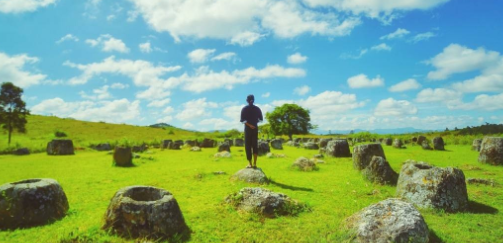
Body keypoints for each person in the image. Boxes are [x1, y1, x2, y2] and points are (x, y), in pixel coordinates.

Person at [240, 94, 263, 169]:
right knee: (255, 145)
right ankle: (255, 163)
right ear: (254, 100)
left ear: (247, 100)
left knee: (248, 146)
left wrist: (249, 125)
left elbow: (242, 120)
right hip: (255, 128)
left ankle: (250, 164)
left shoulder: (244, 109)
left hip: (247, 129)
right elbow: (260, 119)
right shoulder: (257, 109)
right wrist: (254, 124)